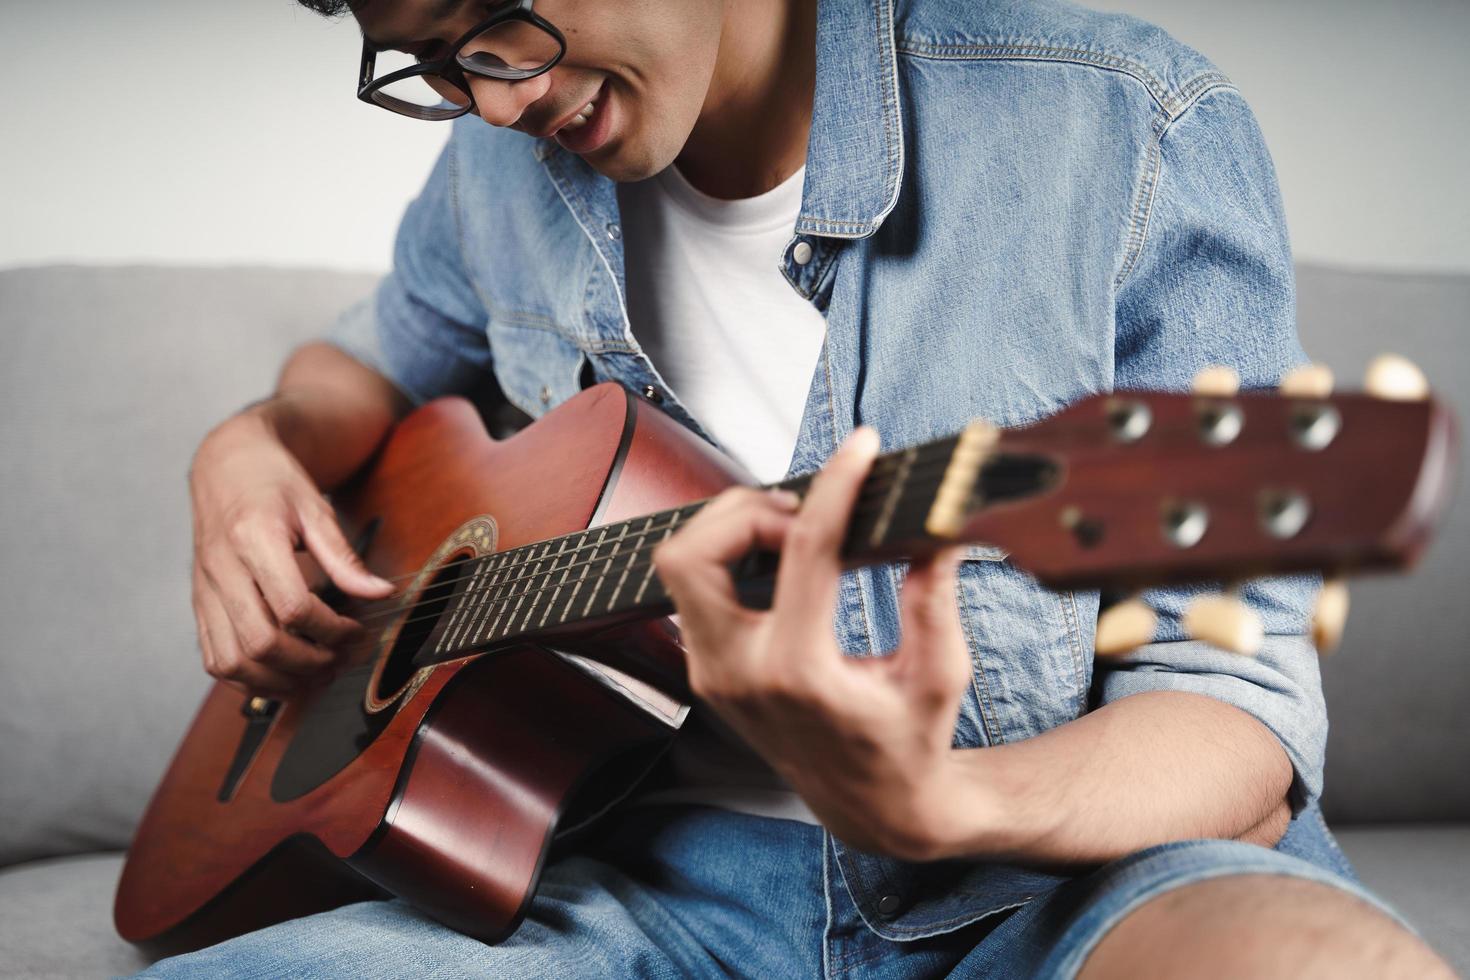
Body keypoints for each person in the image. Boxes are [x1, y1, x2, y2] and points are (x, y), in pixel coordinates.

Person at [141, 0, 1453, 975]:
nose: (492, 103)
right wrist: (246, 448)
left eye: (500, 21)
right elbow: (362, 364)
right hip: (635, 897)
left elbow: (1237, 725)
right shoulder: (496, 175)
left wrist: (945, 803)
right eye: (430, 62)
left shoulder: (1124, 126)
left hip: (1048, 890)